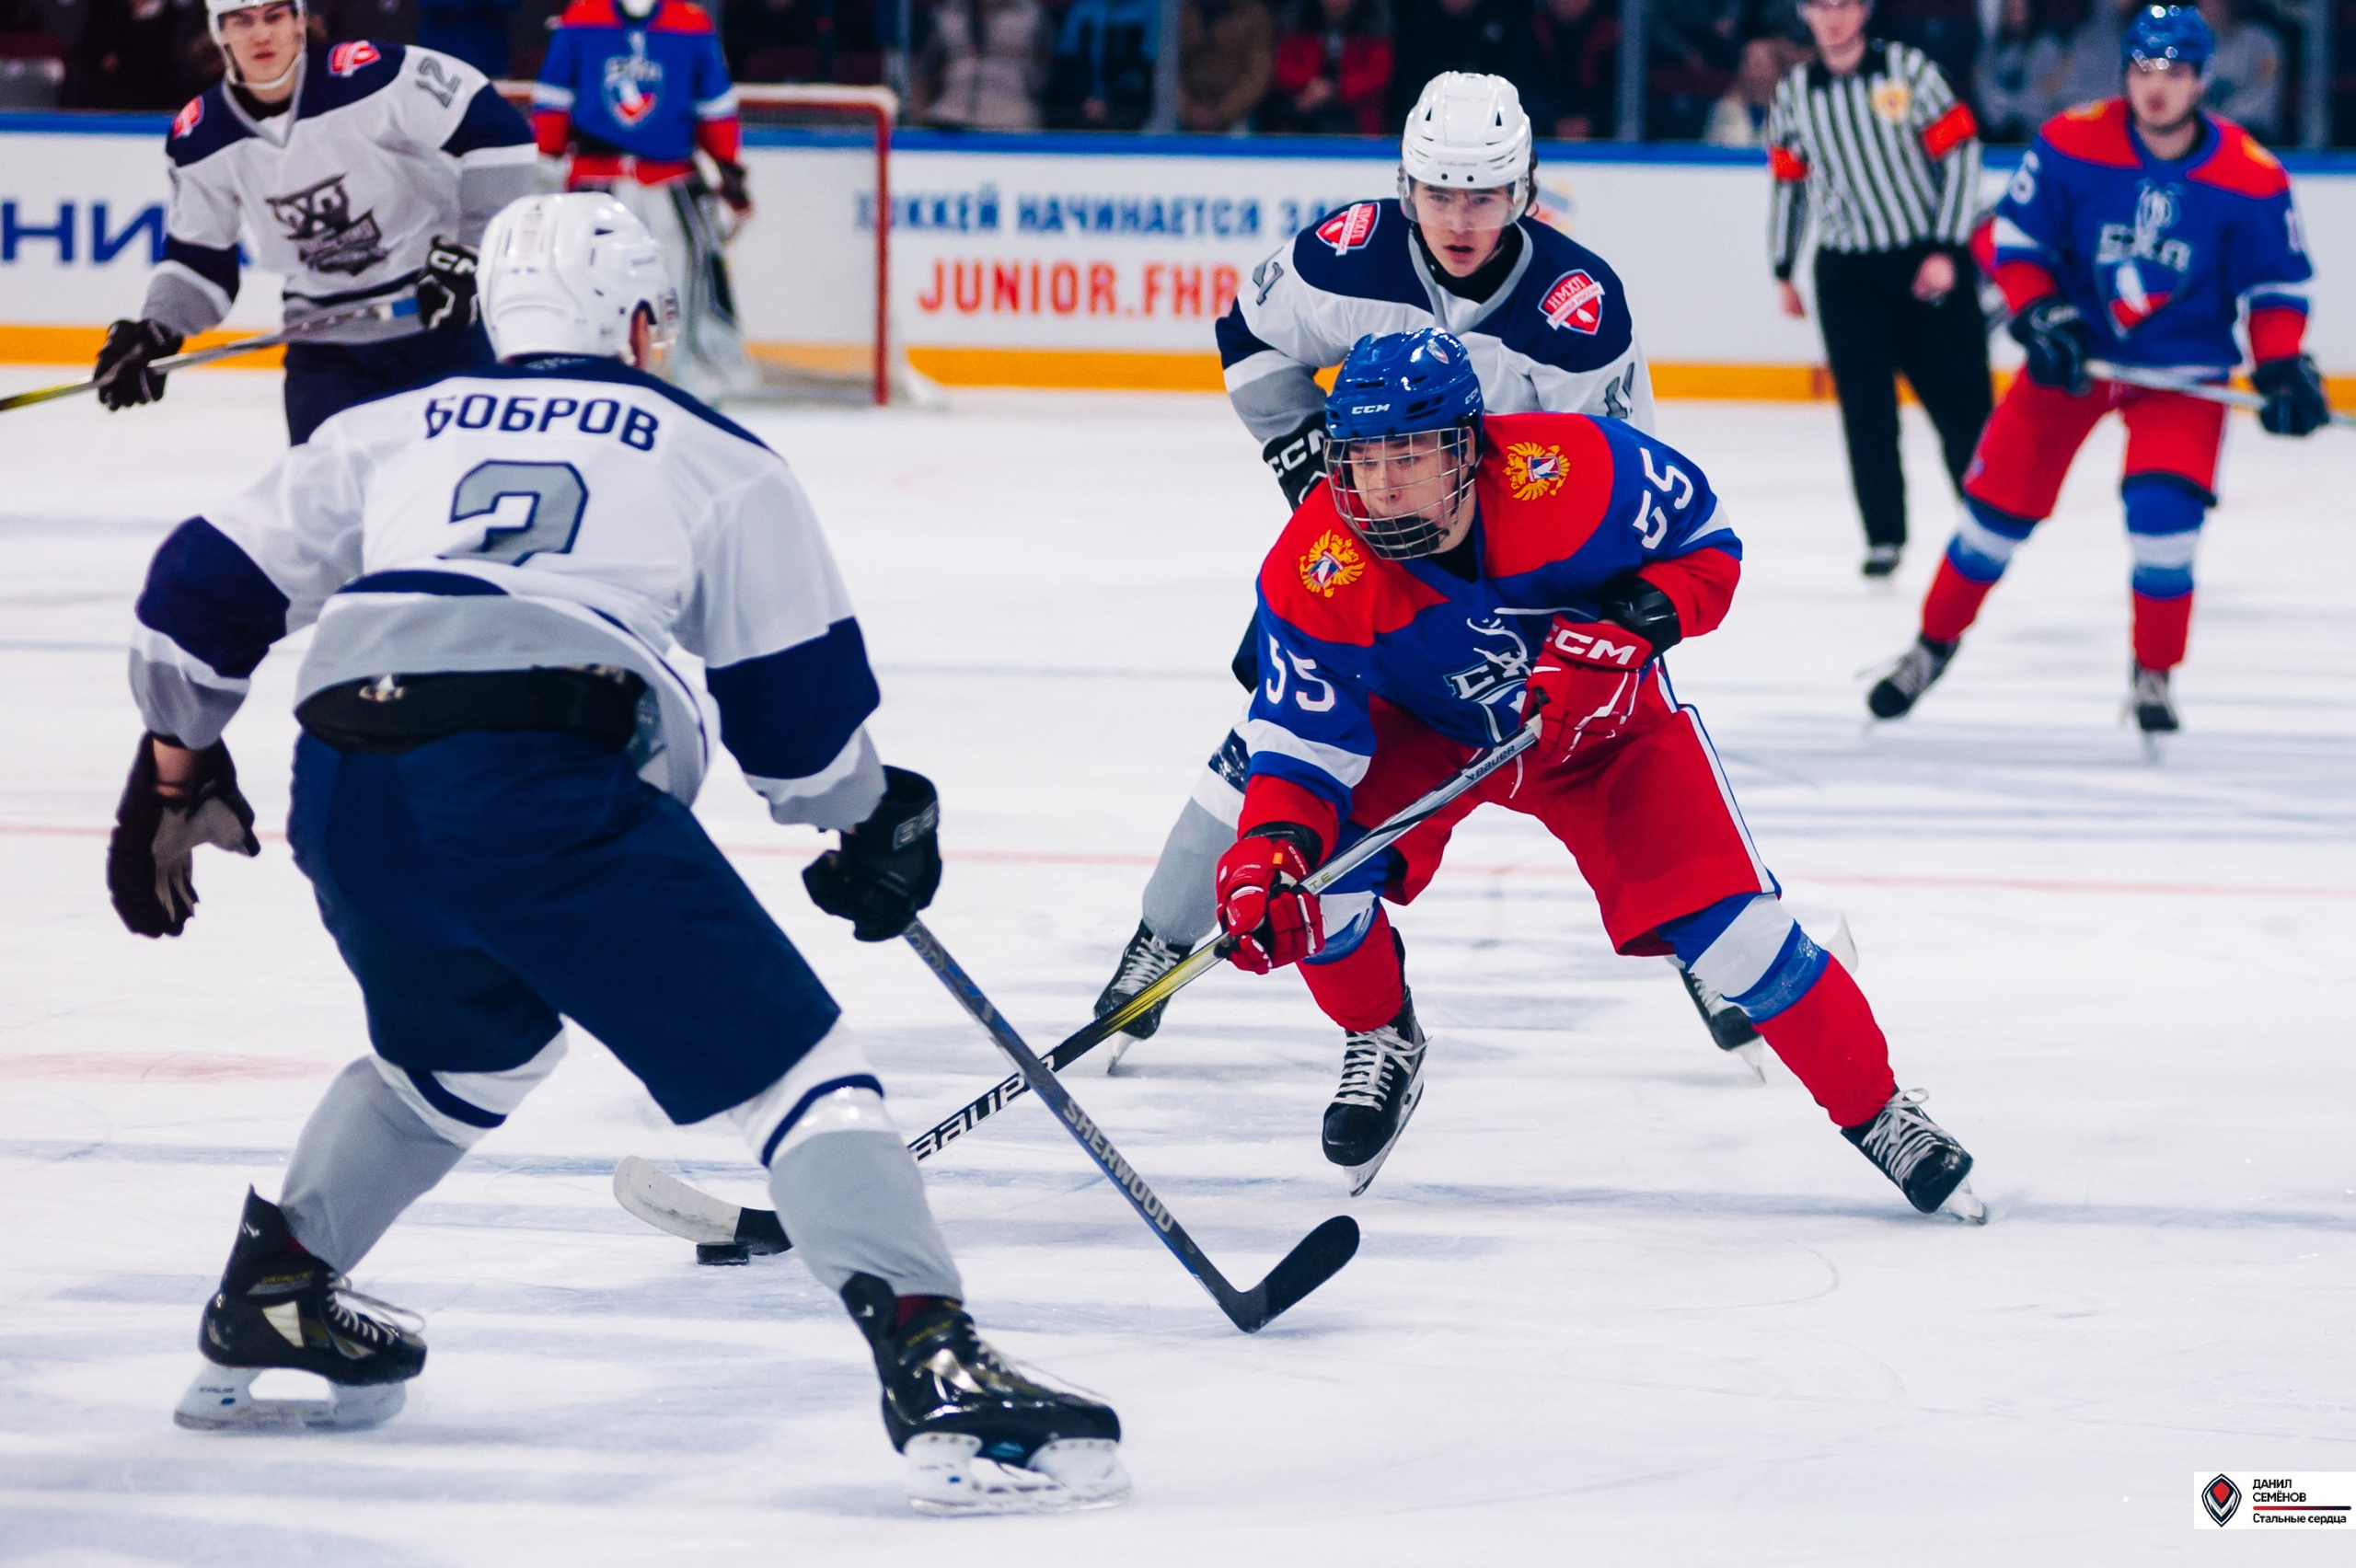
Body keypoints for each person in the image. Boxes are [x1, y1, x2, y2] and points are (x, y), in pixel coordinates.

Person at [108, 192, 1127, 1514]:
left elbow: (192, 597)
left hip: (348, 778)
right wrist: (868, 820)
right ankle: (937, 1364)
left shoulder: (393, 424)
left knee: (465, 1052)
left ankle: (278, 1287)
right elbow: (798, 724)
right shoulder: (711, 450)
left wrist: (175, 772)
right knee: (800, 1070)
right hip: (539, 775)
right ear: (643, 323)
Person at [1203, 328, 1985, 1216]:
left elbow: (1708, 545)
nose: (1380, 484)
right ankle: (1382, 1035)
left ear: (1468, 446)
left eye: (1408, 455)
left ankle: (1881, 1111)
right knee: (1317, 892)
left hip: (1600, 732)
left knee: (1737, 938)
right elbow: (1303, 745)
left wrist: (1625, 630)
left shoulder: (1576, 474)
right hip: (1422, 729)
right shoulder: (1314, 567)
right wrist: (1270, 848)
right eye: (1362, 458)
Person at [1095, 74, 1770, 1078]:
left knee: (1624, 746)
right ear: (1406, 187)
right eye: (1441, 194)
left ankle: (1710, 947)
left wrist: (1600, 630)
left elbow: (1619, 484)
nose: (1460, 220)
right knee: (1268, 740)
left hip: (1528, 582)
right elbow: (1250, 334)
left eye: (1484, 195)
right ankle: (1160, 938)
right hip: (1372, 569)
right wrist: (1307, 471)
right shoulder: (1346, 255)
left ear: (1524, 190)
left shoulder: (1577, 309)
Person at [1867, 6, 2326, 738]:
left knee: (2164, 521)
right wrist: (2041, 311)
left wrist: (2278, 365)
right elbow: (2014, 241)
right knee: (1991, 520)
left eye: (2175, 72)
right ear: (2124, 73)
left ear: (2202, 80)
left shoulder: (2249, 174)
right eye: (2143, 68)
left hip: (2181, 369)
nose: (2157, 86)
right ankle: (1931, 647)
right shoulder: (2072, 142)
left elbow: (2276, 288)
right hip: (2075, 361)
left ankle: (2154, 672)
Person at [89, 0, 535, 444]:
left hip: (441, 326)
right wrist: (157, 328)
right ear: (218, 32)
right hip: (327, 354)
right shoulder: (200, 137)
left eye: (274, 16)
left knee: (463, 481)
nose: (261, 34)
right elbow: (200, 260)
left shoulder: (369, 76)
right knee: (323, 488)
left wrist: (474, 251)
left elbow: (497, 128)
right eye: (242, 21)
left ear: (299, 20)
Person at [1766, 0, 1991, 577]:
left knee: (1962, 403)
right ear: (1805, 14)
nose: (1833, 17)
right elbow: (1789, 184)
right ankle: (1884, 535)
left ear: (1864, 9)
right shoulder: (1794, 93)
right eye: (1821, 5)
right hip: (1847, 274)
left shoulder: (1910, 71)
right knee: (1866, 412)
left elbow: (1962, 155)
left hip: (1925, 262)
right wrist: (1783, 266)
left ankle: (1987, 520)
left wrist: (1946, 247)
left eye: (1844, 3)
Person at [533, 0, 757, 400]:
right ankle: (585, 370)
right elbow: (553, 96)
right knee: (584, 283)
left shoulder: (690, 24)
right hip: (596, 178)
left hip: (670, 179)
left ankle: (700, 377)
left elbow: (715, 105)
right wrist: (546, 156)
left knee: (693, 279)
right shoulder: (582, 18)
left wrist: (728, 168)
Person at [914, 0, 1049, 131]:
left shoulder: (1032, 16)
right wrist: (918, 120)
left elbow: (1046, 75)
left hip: (1014, 122)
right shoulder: (947, 15)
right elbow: (923, 73)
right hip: (949, 121)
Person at [1260, 0, 1391, 135]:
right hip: (1301, 106)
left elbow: (1378, 74)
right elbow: (1281, 66)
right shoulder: (1298, 17)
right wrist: (1310, 84)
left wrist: (1334, 89)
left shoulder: (1372, 21)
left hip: (1357, 115)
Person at [1042, 0, 1155, 129]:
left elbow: (1142, 72)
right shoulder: (1081, 9)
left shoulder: (1145, 10)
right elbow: (1067, 65)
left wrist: (1110, 104)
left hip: (1125, 108)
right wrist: (1086, 101)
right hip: (1081, 107)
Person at [1523, 0, 1619, 140]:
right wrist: (1552, 123)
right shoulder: (1531, 30)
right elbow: (1521, 89)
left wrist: (1592, 122)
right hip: (1540, 138)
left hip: (1605, 141)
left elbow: (1620, 96)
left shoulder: (1614, 34)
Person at [1177, 0, 1273, 132]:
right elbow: (1167, 68)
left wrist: (1221, 113)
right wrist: (1187, 110)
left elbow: (1259, 74)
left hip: (1237, 116)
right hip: (1183, 115)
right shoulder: (1182, 11)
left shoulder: (1253, 13)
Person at [2195, 0, 2279, 136]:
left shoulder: (2263, 42)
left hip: (2250, 130)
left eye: (2213, 2)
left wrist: (2224, 119)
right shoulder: (2195, 44)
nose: (2205, 7)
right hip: (2203, 131)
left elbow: (2265, 92)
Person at [1704, 32, 1794, 145]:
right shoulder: (1725, 110)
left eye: (1761, 63)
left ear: (1777, 69)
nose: (1754, 70)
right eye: (1748, 62)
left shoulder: (1790, 111)